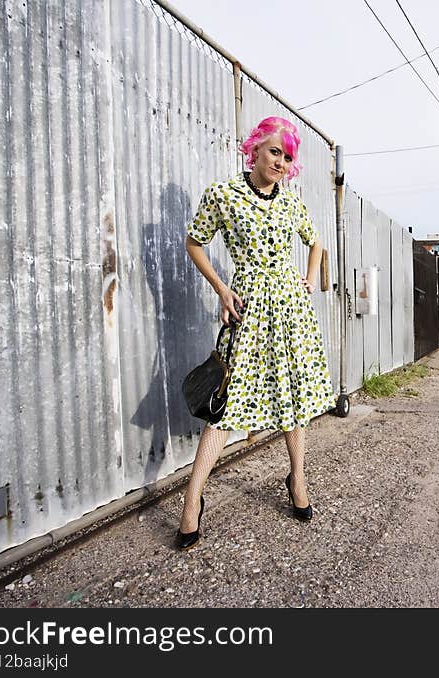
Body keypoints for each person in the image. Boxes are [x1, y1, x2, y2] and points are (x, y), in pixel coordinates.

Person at [176, 116, 335, 550]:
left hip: (291, 311)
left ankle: (297, 478)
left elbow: (315, 241)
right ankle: (192, 502)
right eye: (274, 152)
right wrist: (221, 288)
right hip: (246, 307)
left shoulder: (291, 203)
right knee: (226, 405)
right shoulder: (224, 195)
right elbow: (194, 241)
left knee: (294, 395)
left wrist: (308, 276)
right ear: (254, 150)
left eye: (287, 156)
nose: (281, 162)